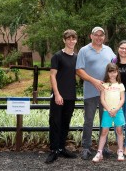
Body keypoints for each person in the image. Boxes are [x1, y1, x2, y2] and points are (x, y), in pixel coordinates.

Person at [76, 26, 116, 160]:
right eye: (96, 35)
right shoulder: (84, 50)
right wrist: (94, 81)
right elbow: (79, 70)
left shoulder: (109, 50)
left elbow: (117, 65)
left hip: (107, 93)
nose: (99, 37)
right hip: (90, 92)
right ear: (91, 36)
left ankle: (103, 148)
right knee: (89, 121)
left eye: (101, 35)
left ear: (104, 37)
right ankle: (86, 148)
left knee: (104, 121)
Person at [45, 29, 78, 164]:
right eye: (68, 39)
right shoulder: (57, 56)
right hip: (59, 95)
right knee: (55, 123)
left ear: (76, 40)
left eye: (73, 38)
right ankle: (53, 150)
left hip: (71, 96)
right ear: (64, 40)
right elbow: (52, 75)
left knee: (65, 123)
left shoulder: (77, 57)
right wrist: (57, 94)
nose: (71, 41)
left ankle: (61, 148)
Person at [92, 63, 125, 162]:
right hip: (107, 112)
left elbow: (122, 99)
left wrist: (116, 109)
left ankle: (120, 151)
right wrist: (109, 110)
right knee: (104, 132)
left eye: (114, 72)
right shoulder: (104, 85)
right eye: (110, 72)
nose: (112, 74)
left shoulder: (120, 85)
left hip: (118, 112)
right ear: (107, 73)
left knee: (119, 131)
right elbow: (102, 100)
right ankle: (99, 152)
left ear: (117, 72)